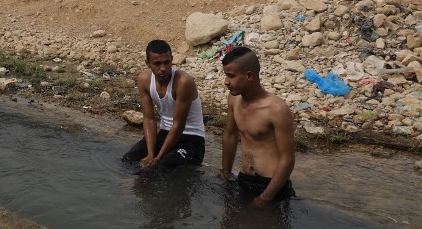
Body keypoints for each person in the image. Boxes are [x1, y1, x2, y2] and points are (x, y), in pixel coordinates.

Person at [219, 46, 296, 205]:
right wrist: (226, 172)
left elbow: (287, 159)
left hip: (270, 185)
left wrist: (265, 197)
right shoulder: (234, 100)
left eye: (230, 76)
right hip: (243, 179)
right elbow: (230, 135)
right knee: (230, 226)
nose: (226, 81)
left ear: (249, 76)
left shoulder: (276, 109)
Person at [123, 39, 206, 169]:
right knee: (128, 160)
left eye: (167, 62)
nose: (163, 68)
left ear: (172, 59)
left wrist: (158, 157)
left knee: (160, 168)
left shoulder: (183, 82)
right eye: (157, 64)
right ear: (148, 63)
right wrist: (150, 154)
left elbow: (178, 125)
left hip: (190, 139)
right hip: (164, 134)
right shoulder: (144, 80)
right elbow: (149, 118)